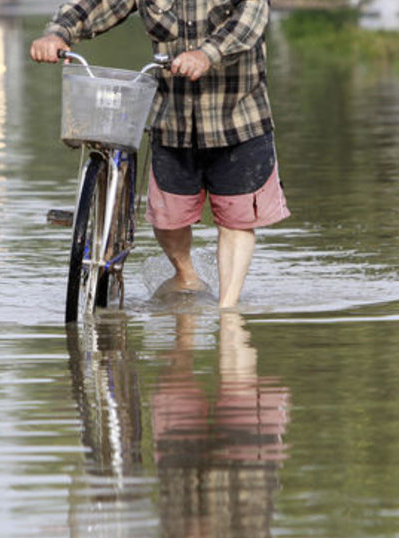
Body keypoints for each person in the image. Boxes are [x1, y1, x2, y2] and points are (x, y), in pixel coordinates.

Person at [30, 0, 290, 308]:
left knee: (236, 220)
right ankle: (186, 274)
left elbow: (249, 22)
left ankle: (228, 311)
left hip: (238, 116)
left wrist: (207, 54)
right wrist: (58, 33)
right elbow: (96, 5)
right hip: (173, 119)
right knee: (168, 219)